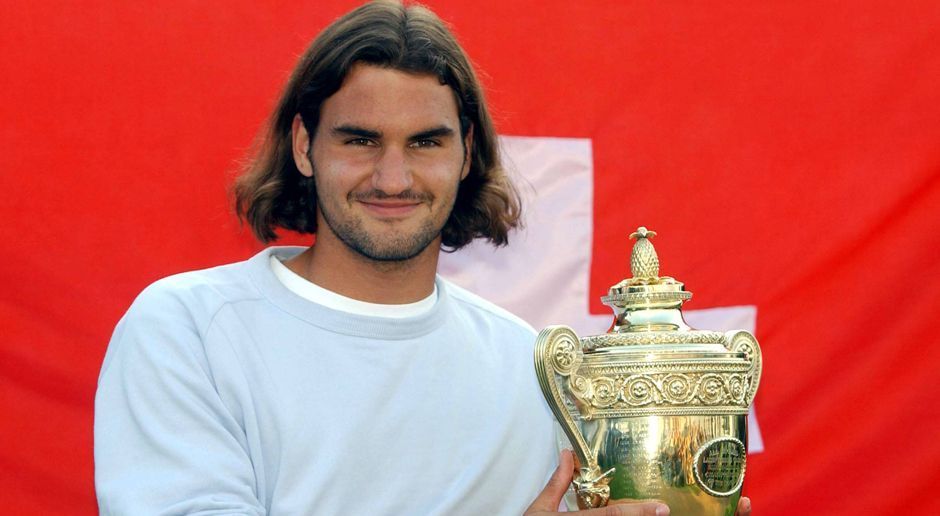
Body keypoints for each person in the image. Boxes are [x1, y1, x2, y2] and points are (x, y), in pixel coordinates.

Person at [95, 2, 750, 515]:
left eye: (425, 143)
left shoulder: (530, 366)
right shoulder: (187, 330)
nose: (392, 177)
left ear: (466, 152)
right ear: (303, 145)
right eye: (360, 140)